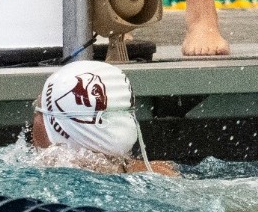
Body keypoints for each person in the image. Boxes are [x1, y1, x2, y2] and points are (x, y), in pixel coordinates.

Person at [27, 61, 176, 174]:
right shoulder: (165, 172)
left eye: (38, 109)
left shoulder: (44, 185)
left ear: (58, 128)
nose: (34, 119)